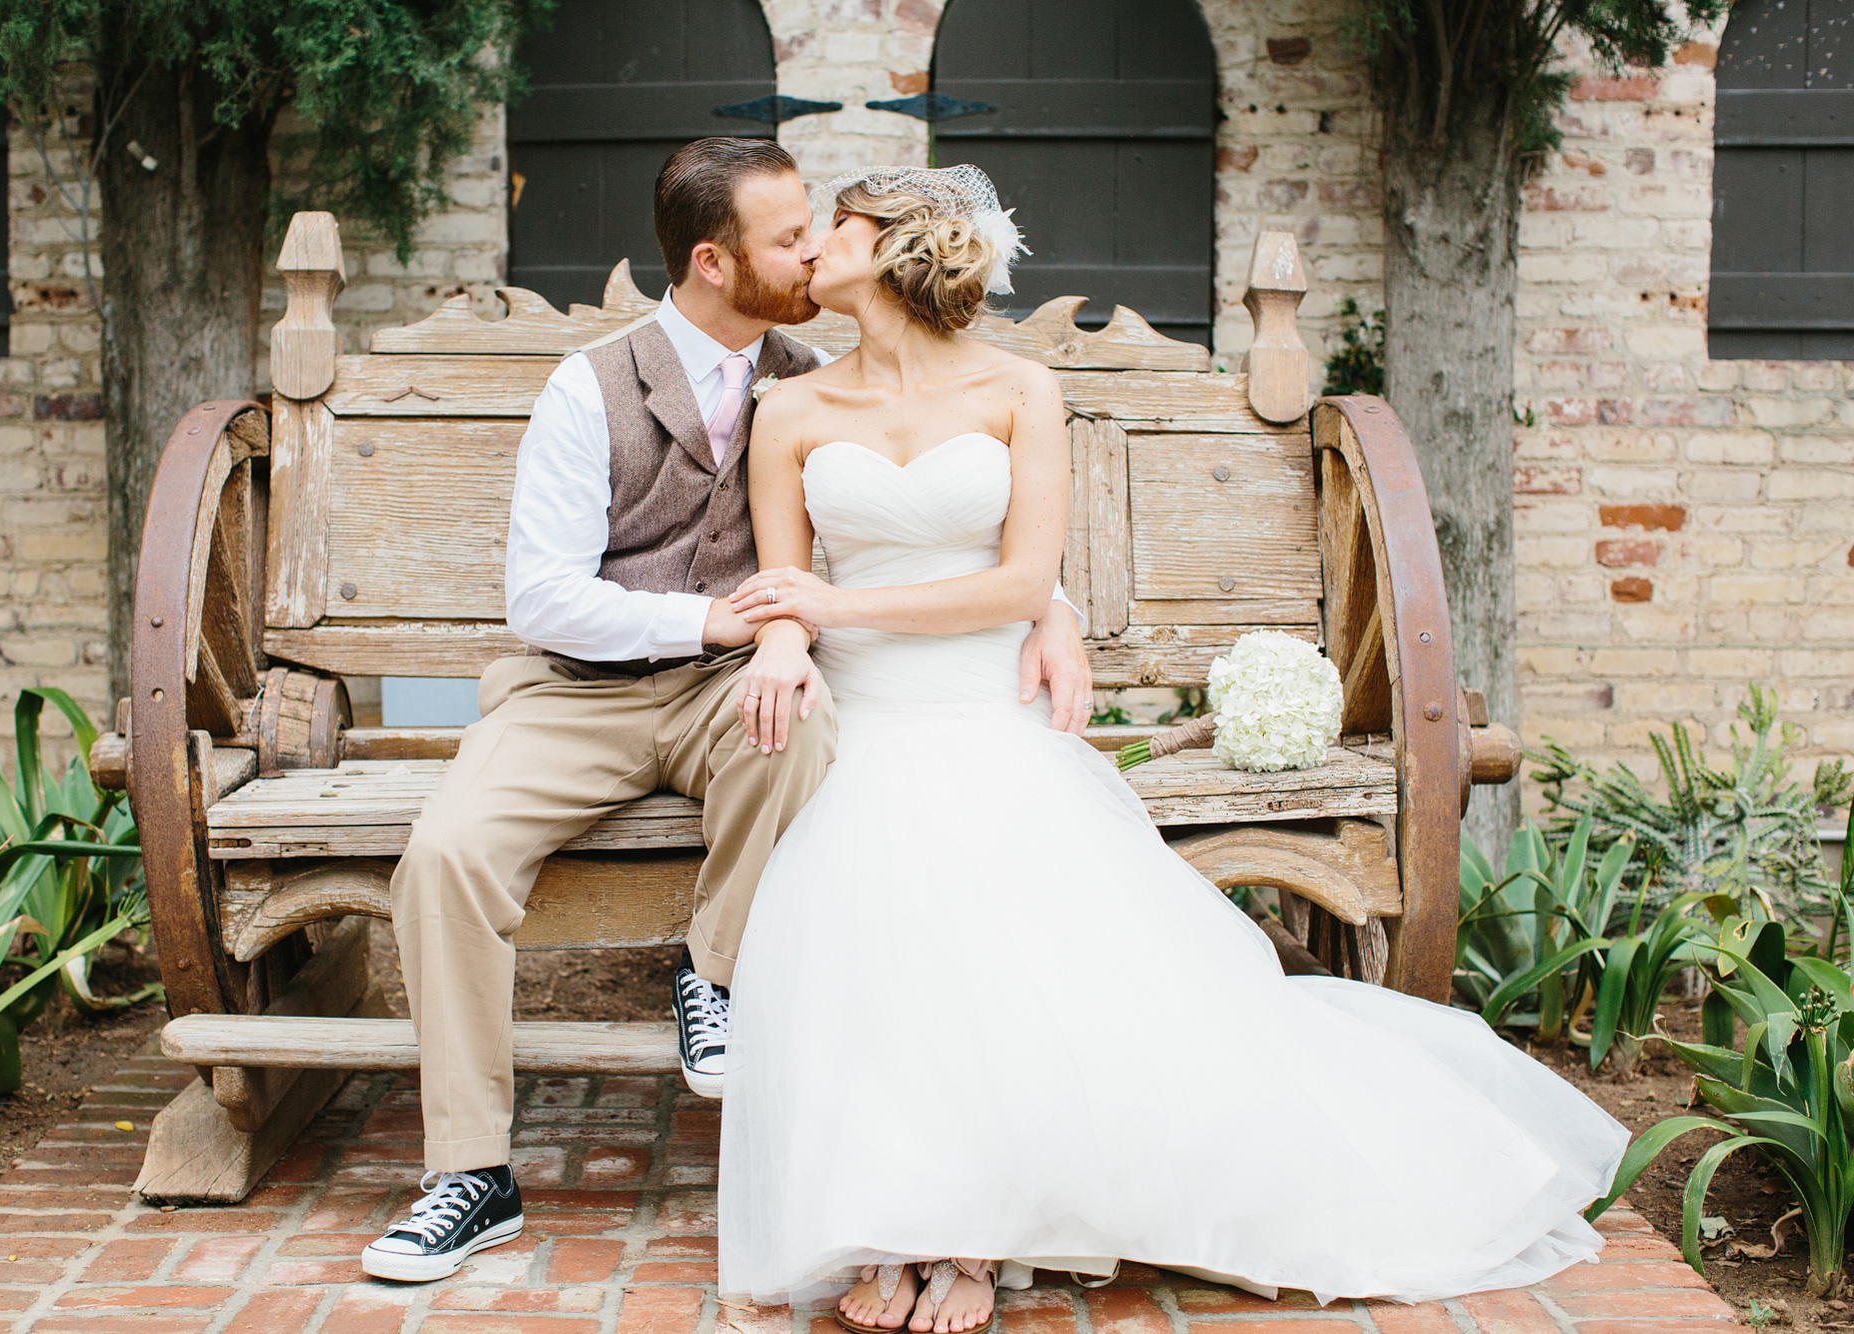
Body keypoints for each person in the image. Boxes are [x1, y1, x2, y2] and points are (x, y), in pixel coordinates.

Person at [714, 164, 1632, 1334]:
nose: (810, 249)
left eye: (832, 227)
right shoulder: (789, 409)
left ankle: (974, 1234)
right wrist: (783, 640)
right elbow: (781, 574)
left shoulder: (1017, 389)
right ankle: (894, 1219)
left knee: (993, 917)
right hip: (865, 711)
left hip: (979, 700)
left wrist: (833, 612)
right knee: (871, 912)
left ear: (892, 248)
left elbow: (1019, 576)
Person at [360, 141, 1093, 1284]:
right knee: (444, 855)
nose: (811, 252)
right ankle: (469, 1172)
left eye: (816, 230)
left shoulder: (807, 374)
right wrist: (713, 625)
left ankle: (714, 969)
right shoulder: (585, 386)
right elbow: (541, 597)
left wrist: (1051, 605)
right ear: (712, 261)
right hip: (579, 693)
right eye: (788, 238)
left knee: (799, 727)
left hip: (740, 685)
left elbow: (941, 507)